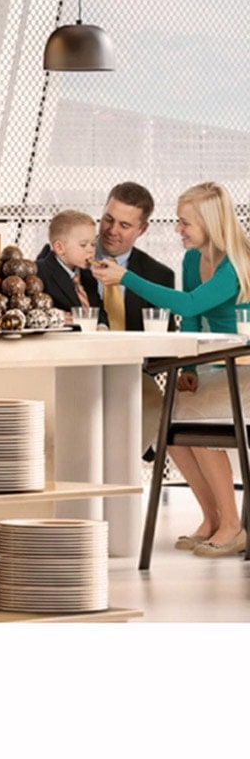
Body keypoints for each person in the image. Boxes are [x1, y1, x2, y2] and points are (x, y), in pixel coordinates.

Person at [93, 182, 250, 557]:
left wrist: (125, 277)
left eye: (185, 223)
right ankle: (212, 518)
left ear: (210, 223)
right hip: (217, 364)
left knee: (199, 419)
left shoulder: (237, 262)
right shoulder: (192, 260)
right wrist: (187, 368)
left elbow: (190, 301)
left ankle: (233, 526)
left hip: (242, 366)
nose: (178, 229)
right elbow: (192, 318)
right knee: (170, 419)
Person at [96, 182, 175, 331]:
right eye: (108, 219)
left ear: (142, 230)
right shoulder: (66, 258)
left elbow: (165, 344)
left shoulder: (159, 277)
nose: (113, 230)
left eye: (124, 225)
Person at [35, 209, 101, 325]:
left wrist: (102, 326)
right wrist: (53, 318)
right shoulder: (39, 273)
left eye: (93, 244)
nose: (90, 250)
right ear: (60, 248)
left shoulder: (88, 276)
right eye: (83, 245)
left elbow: (99, 310)